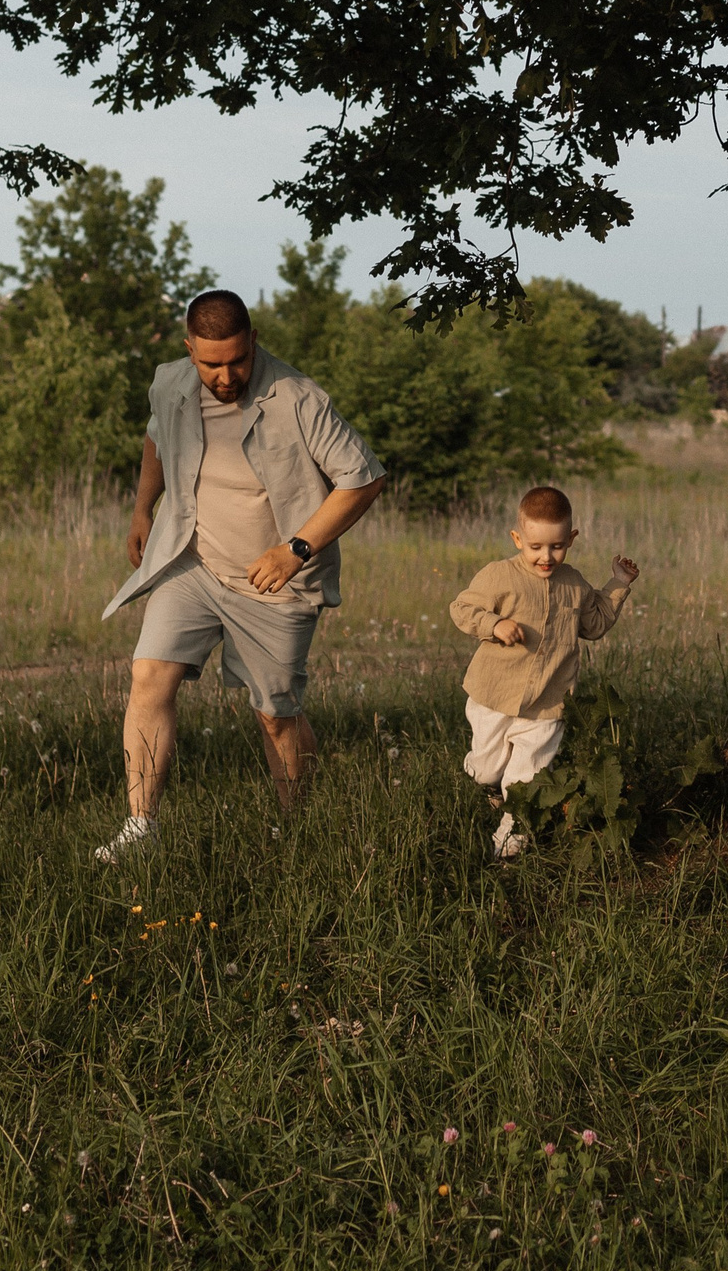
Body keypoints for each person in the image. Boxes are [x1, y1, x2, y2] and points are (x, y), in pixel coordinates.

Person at [95, 288, 385, 860]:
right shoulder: (171, 382)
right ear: (189, 350)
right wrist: (142, 508)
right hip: (194, 564)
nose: (226, 376)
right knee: (149, 675)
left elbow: (364, 478)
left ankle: (296, 833)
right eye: (211, 364)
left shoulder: (299, 399)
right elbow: (156, 437)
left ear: (253, 341)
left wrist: (296, 548)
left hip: (276, 584)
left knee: (275, 715)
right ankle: (141, 828)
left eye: (237, 360)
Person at [449, 485, 639, 860]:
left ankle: (508, 850)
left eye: (556, 546)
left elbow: (594, 626)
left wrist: (618, 583)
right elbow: (462, 609)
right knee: (486, 770)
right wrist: (494, 624)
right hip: (494, 696)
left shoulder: (574, 584)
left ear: (571, 539)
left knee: (526, 781)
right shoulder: (499, 576)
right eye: (535, 546)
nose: (546, 556)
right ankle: (488, 784)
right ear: (518, 538)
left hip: (548, 703)